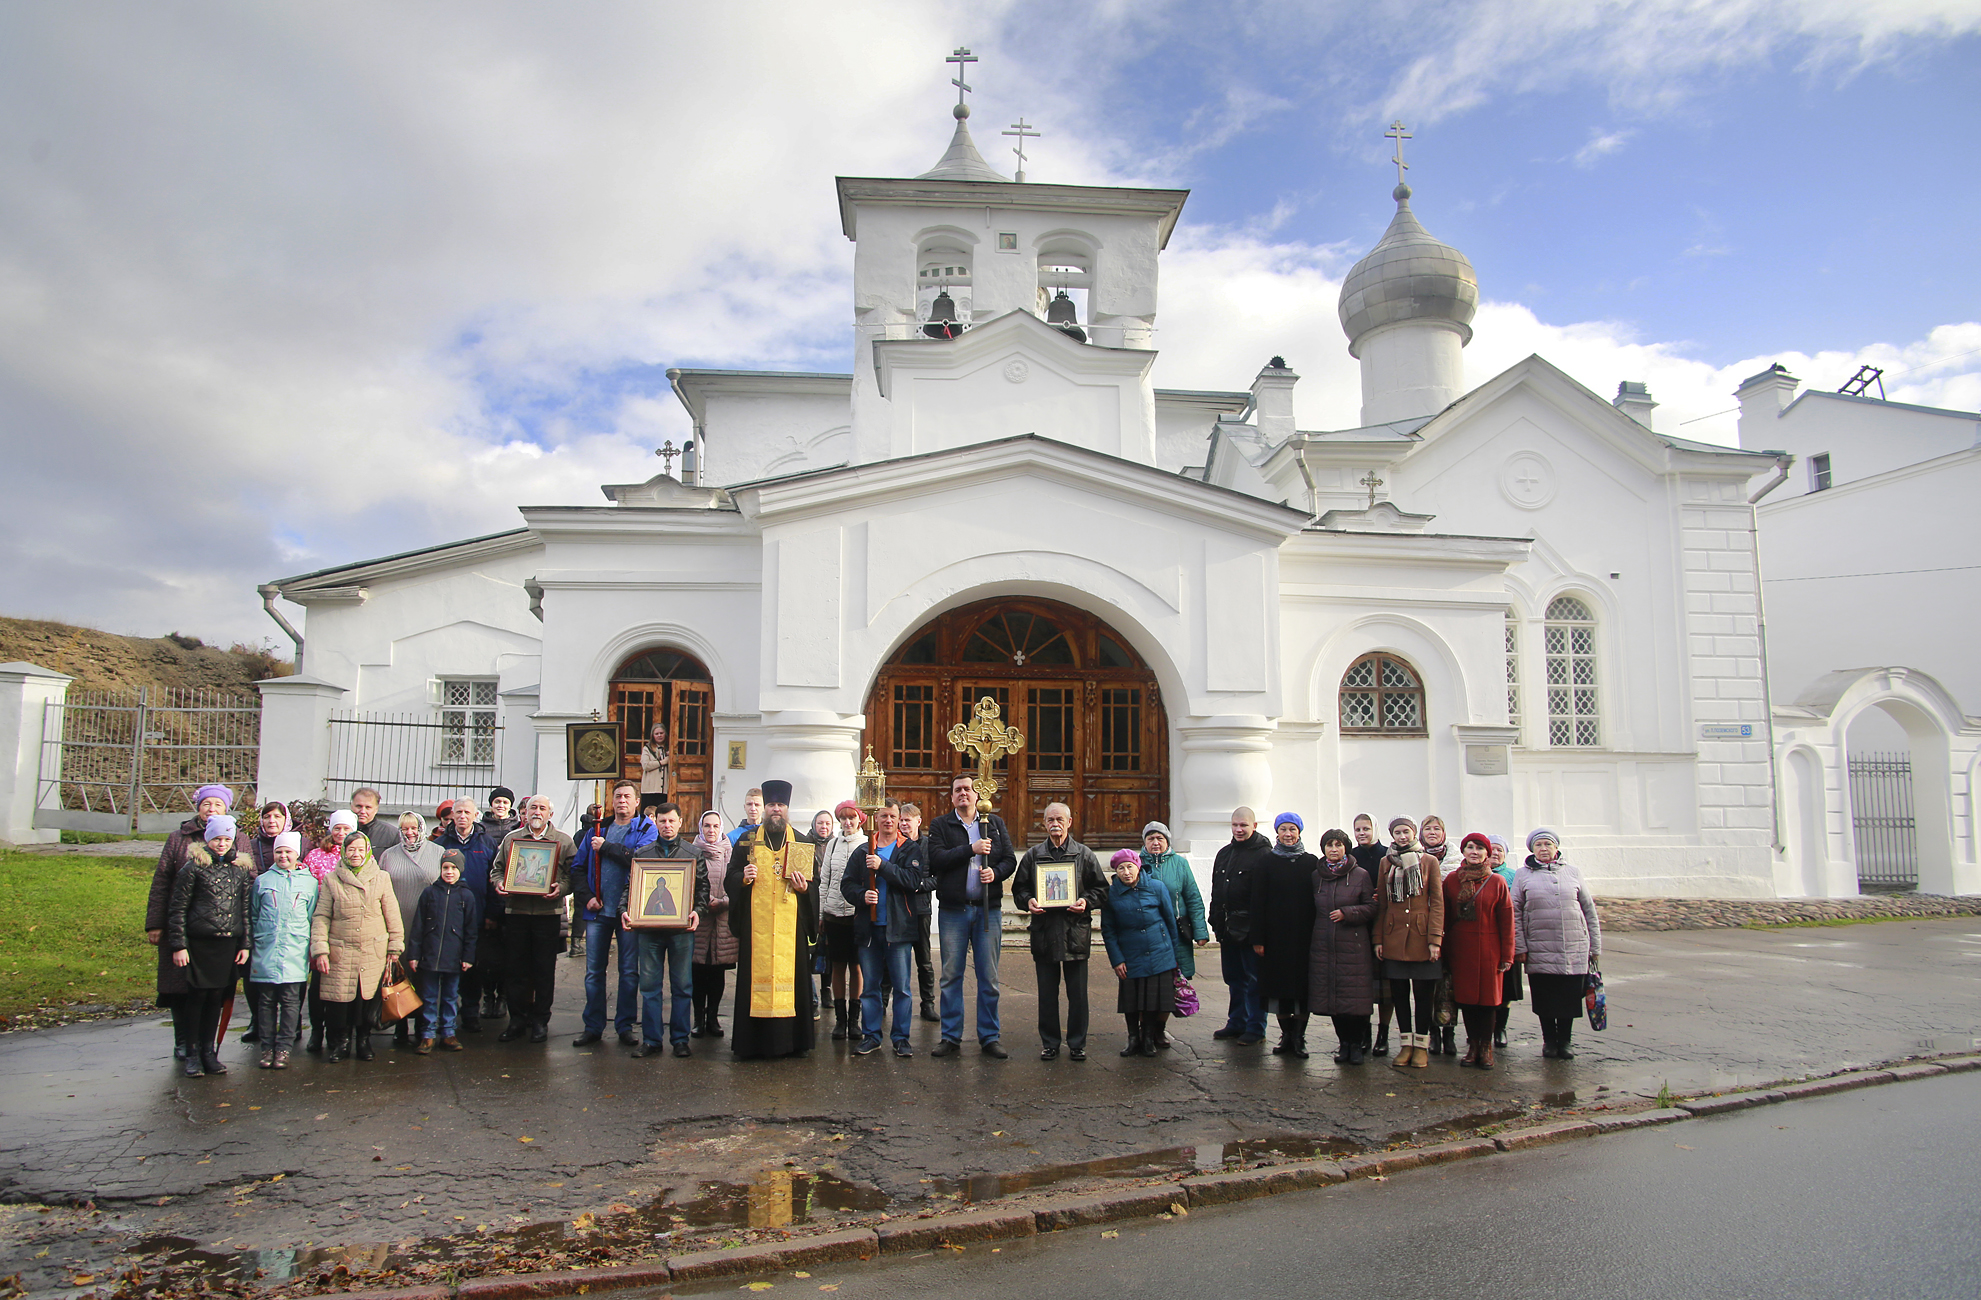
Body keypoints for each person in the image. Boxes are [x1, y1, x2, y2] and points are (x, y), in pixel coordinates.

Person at [724, 780, 818, 1059]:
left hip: (791, 928)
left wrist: (804, 889)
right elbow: (729, 876)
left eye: (780, 805)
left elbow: (814, 885)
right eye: (771, 805)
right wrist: (742, 878)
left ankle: (794, 1042)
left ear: (787, 809)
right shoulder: (746, 840)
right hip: (758, 928)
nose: (776, 810)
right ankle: (752, 1043)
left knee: (793, 982)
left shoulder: (802, 841)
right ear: (764, 808)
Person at [927, 773, 1017, 1058]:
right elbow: (937, 860)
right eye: (958, 790)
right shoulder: (941, 825)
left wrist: (997, 872)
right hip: (955, 910)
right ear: (951, 796)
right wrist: (970, 849)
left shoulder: (994, 823)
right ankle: (951, 1036)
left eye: (968, 789)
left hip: (987, 909)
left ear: (977, 795)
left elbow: (1009, 860)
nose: (963, 793)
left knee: (988, 976)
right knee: (951, 975)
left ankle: (989, 1036)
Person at [1011, 802, 1108, 1061]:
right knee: (1047, 994)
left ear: (1070, 822)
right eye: (1050, 819)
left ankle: (1077, 1043)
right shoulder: (1033, 855)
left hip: (1074, 932)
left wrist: (1086, 901)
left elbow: (1101, 889)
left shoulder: (1084, 854)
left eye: (1060, 819)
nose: (1055, 823)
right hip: (1044, 932)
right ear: (1044, 823)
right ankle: (1050, 1042)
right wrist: (1029, 901)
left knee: (1077, 995)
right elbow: (1019, 889)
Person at [147, 784, 232, 1063]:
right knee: (178, 985)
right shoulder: (177, 839)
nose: (211, 809)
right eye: (207, 804)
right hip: (182, 924)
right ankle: (183, 1040)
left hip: (218, 930)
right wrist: (155, 923)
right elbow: (162, 880)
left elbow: (247, 879)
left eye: (217, 805)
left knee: (210, 990)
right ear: (198, 807)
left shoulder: (235, 838)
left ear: (226, 809)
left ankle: (205, 1045)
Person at [842, 800, 933, 1057]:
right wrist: (862, 896)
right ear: (876, 819)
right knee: (870, 986)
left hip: (899, 928)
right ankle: (871, 1035)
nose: (889, 821)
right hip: (869, 929)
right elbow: (846, 885)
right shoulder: (863, 851)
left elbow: (913, 880)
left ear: (899, 818)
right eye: (884, 816)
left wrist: (883, 866)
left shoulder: (909, 849)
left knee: (902, 987)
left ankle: (901, 1037)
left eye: (893, 816)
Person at [166, 814, 255, 1077]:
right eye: (216, 838)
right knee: (197, 998)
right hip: (199, 943)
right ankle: (192, 1054)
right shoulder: (192, 868)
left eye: (227, 839)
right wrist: (179, 945)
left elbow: (245, 910)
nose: (221, 844)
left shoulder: (239, 869)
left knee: (216, 998)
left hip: (227, 944)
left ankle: (209, 1051)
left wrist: (245, 944)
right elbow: (178, 909)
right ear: (207, 839)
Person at [572, 781, 657, 1048]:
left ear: (636, 802)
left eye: (627, 797)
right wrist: (587, 898)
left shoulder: (645, 828)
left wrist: (606, 847)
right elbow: (577, 868)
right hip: (599, 911)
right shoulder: (597, 830)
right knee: (594, 972)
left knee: (629, 971)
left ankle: (624, 1025)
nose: (621, 800)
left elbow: (640, 859)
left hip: (628, 912)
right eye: (617, 796)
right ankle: (593, 1026)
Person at [309, 831, 404, 1063]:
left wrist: (395, 946)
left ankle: (364, 1040)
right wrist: (320, 949)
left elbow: (392, 913)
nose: (356, 854)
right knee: (341, 1001)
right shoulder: (332, 879)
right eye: (351, 849)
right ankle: (342, 1042)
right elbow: (322, 916)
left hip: (373, 950)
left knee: (367, 998)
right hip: (341, 950)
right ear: (343, 851)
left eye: (360, 849)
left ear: (368, 851)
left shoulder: (381, 878)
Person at [1512, 828, 1602, 1060]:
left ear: (1556, 848)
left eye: (1548, 845)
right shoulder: (1523, 875)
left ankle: (1565, 1041)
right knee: (1545, 997)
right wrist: (1520, 947)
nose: (1543, 849)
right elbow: (1515, 912)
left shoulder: (1573, 872)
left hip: (1573, 947)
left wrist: (1595, 946)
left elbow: (1588, 909)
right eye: (1539, 845)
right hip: (1539, 946)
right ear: (1532, 849)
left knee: (1569, 997)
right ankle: (1549, 1042)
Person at [492, 795, 574, 1043]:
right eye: (533, 808)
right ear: (524, 813)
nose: (537, 812)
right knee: (515, 970)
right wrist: (498, 883)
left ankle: (540, 1021)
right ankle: (516, 1020)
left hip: (547, 915)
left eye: (542, 808)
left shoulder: (563, 841)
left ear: (550, 813)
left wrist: (561, 888)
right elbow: (497, 869)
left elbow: (573, 875)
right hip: (516, 913)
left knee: (544, 970)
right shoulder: (511, 840)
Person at [625, 802, 704, 1058]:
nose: (667, 826)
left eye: (671, 821)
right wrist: (624, 911)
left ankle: (680, 1039)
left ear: (680, 822)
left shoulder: (692, 853)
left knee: (682, 985)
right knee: (649, 986)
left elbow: (702, 888)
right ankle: (651, 1040)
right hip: (649, 931)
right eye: (662, 822)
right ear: (655, 823)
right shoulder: (644, 853)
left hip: (680, 931)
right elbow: (632, 889)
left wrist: (697, 911)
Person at [1375, 817, 1445, 1071]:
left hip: (1421, 936)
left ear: (1414, 833)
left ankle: (1422, 1045)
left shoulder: (1429, 862)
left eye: (1406, 831)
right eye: (1397, 832)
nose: (1402, 836)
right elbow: (1382, 904)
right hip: (1393, 938)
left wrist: (1435, 939)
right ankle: (1405, 1043)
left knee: (1424, 996)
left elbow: (1437, 902)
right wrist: (1378, 939)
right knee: (1400, 995)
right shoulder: (1385, 862)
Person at [1249, 813, 1319, 1058]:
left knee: (1302, 989)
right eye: (1283, 829)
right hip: (1274, 939)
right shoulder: (1265, 861)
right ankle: (1285, 1035)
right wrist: (1258, 938)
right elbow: (1257, 902)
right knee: (1278, 989)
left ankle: (1299, 1037)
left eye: (1292, 829)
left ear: (1299, 832)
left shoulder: (1311, 862)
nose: (1288, 834)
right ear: (1276, 833)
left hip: (1304, 938)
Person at [1443, 832, 1514, 1069]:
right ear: (1463, 852)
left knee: (1488, 1001)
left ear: (1487, 853)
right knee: (1467, 1000)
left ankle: (1486, 1047)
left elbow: (1507, 921)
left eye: (1480, 848)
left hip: (1489, 949)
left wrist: (1507, 955)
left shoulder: (1497, 882)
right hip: (1460, 948)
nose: (1474, 852)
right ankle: (1472, 1046)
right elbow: (1444, 916)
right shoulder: (1452, 880)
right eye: (1470, 847)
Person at [1308, 828, 1378, 1065]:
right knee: (1333, 1000)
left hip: (1353, 946)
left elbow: (1371, 907)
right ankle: (1343, 1044)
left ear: (1346, 847)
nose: (1334, 849)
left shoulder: (1360, 875)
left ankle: (1356, 1044)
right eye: (1329, 845)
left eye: (1338, 845)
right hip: (1324, 945)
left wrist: (1348, 913)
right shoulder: (1317, 876)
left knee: (1354, 1000)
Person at [247, 830, 315, 1069]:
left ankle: (284, 1047)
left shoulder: (310, 883)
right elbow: (254, 914)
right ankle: (267, 1048)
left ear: (297, 854)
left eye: (288, 852)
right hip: (267, 949)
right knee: (265, 1001)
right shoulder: (263, 881)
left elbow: (311, 916)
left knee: (290, 1001)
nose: (283, 856)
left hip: (295, 950)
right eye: (279, 851)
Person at [1101, 848, 1177, 1058]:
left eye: (1130, 867)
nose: (1126, 872)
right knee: (1131, 1000)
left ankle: (1148, 1038)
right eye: (1121, 868)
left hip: (1159, 953)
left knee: (1152, 1000)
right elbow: (1109, 930)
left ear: (1138, 867)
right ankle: (1133, 1038)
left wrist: (1174, 955)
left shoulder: (1156, 887)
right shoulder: (1111, 895)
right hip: (1130, 955)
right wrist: (1117, 960)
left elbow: (1170, 922)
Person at [406, 848, 481, 1053]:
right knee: (429, 996)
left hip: (454, 957)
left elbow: (471, 930)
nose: (449, 872)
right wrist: (414, 954)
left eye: (454, 868)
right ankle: (427, 1034)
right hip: (430, 956)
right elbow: (418, 926)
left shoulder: (466, 896)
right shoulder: (429, 893)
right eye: (446, 867)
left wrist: (468, 956)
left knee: (450, 996)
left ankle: (448, 1032)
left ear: (461, 870)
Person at [1138, 821, 1206, 1049]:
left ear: (1167, 841)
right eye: (1151, 839)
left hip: (1175, 933)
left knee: (1170, 983)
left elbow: (1193, 898)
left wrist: (1200, 931)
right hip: (1147, 934)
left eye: (1160, 839)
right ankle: (1143, 1030)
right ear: (1144, 842)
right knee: (1147, 984)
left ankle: (1159, 1029)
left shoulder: (1179, 864)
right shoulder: (1136, 864)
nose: (1155, 843)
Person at [1209, 807, 1272, 1046]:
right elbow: (1217, 890)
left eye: (1244, 825)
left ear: (1254, 826)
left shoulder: (1264, 855)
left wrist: (1260, 934)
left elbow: (1266, 898)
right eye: (1235, 825)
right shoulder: (1224, 853)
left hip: (1251, 929)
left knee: (1254, 979)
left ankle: (1256, 1027)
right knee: (1234, 978)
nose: (1238, 829)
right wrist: (1215, 920)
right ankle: (1236, 1022)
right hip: (1228, 928)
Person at [379, 812, 443, 1048]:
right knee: (400, 976)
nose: (409, 832)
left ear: (422, 827)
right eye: (404, 828)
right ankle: (400, 1025)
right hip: (398, 924)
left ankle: (424, 1027)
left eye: (413, 828)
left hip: (427, 923)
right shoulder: (388, 855)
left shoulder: (437, 852)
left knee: (425, 976)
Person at [438, 797, 501, 1030]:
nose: (462, 816)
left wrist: (492, 914)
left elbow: (493, 879)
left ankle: (471, 1013)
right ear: (452, 816)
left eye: (467, 812)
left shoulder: (487, 843)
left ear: (476, 815)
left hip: (477, 915)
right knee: (447, 967)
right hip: (447, 917)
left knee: (473, 966)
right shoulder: (441, 843)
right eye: (458, 812)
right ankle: (446, 1017)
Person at [815, 802, 866, 1042]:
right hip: (834, 913)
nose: (847, 822)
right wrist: (821, 913)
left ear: (860, 820)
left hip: (856, 914)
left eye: (851, 818)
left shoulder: (866, 844)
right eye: (843, 818)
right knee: (837, 965)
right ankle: (840, 1020)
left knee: (856, 966)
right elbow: (825, 879)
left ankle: (854, 1020)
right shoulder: (833, 845)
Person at [689, 810, 739, 1039]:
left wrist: (724, 902)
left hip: (723, 920)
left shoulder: (731, 853)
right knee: (698, 973)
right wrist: (701, 903)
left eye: (715, 826)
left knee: (718, 974)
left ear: (721, 829)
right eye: (707, 826)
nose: (711, 831)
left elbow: (738, 884)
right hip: (699, 921)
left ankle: (713, 1018)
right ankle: (698, 1018)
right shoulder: (691, 852)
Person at [1350, 812, 1395, 1056]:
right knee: (1362, 986)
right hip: (1359, 928)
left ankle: (1383, 1033)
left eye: (1366, 828)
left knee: (1385, 988)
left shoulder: (1388, 855)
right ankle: (1364, 1033)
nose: (1362, 833)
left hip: (1384, 926)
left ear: (1374, 829)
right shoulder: (1352, 857)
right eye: (1358, 829)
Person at [1417, 814, 1458, 1055]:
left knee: (1449, 985)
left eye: (1437, 828)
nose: (1432, 832)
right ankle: (1432, 1032)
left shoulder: (1456, 860)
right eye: (1427, 828)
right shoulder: (1413, 859)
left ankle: (1449, 1031)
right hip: (1425, 930)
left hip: (1450, 930)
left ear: (1444, 833)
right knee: (1428, 984)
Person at [898, 802, 939, 1021]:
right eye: (901, 820)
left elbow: (938, 878)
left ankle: (928, 1003)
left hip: (921, 909)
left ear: (918, 821)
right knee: (895, 959)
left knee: (924, 959)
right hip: (898, 910)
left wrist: (920, 886)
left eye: (908, 820)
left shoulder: (929, 846)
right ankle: (889, 1001)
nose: (904, 824)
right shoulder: (894, 844)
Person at [1487, 836, 1522, 1049]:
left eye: (1499, 849)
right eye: (1491, 849)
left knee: (1507, 987)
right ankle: (1485, 1028)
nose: (1495, 853)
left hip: (1508, 938)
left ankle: (1500, 1027)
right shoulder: (1479, 874)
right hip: (1486, 938)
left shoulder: (1515, 877)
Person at [350, 788, 398, 857]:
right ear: (351, 806)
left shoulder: (392, 834)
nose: (363, 811)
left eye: (368, 807)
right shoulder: (340, 831)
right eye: (359, 806)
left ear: (376, 809)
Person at [639, 723, 670, 816]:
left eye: (661, 733)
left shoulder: (670, 748)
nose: (659, 735)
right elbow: (646, 765)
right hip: (650, 789)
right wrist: (661, 762)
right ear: (653, 735)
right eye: (657, 734)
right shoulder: (647, 749)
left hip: (664, 789)